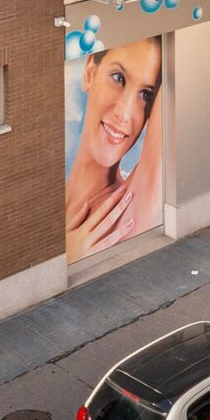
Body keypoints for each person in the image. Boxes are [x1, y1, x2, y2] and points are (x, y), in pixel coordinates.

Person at [65, 37, 163, 261]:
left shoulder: (130, 209)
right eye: (118, 78)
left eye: (146, 95)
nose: (124, 113)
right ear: (89, 72)